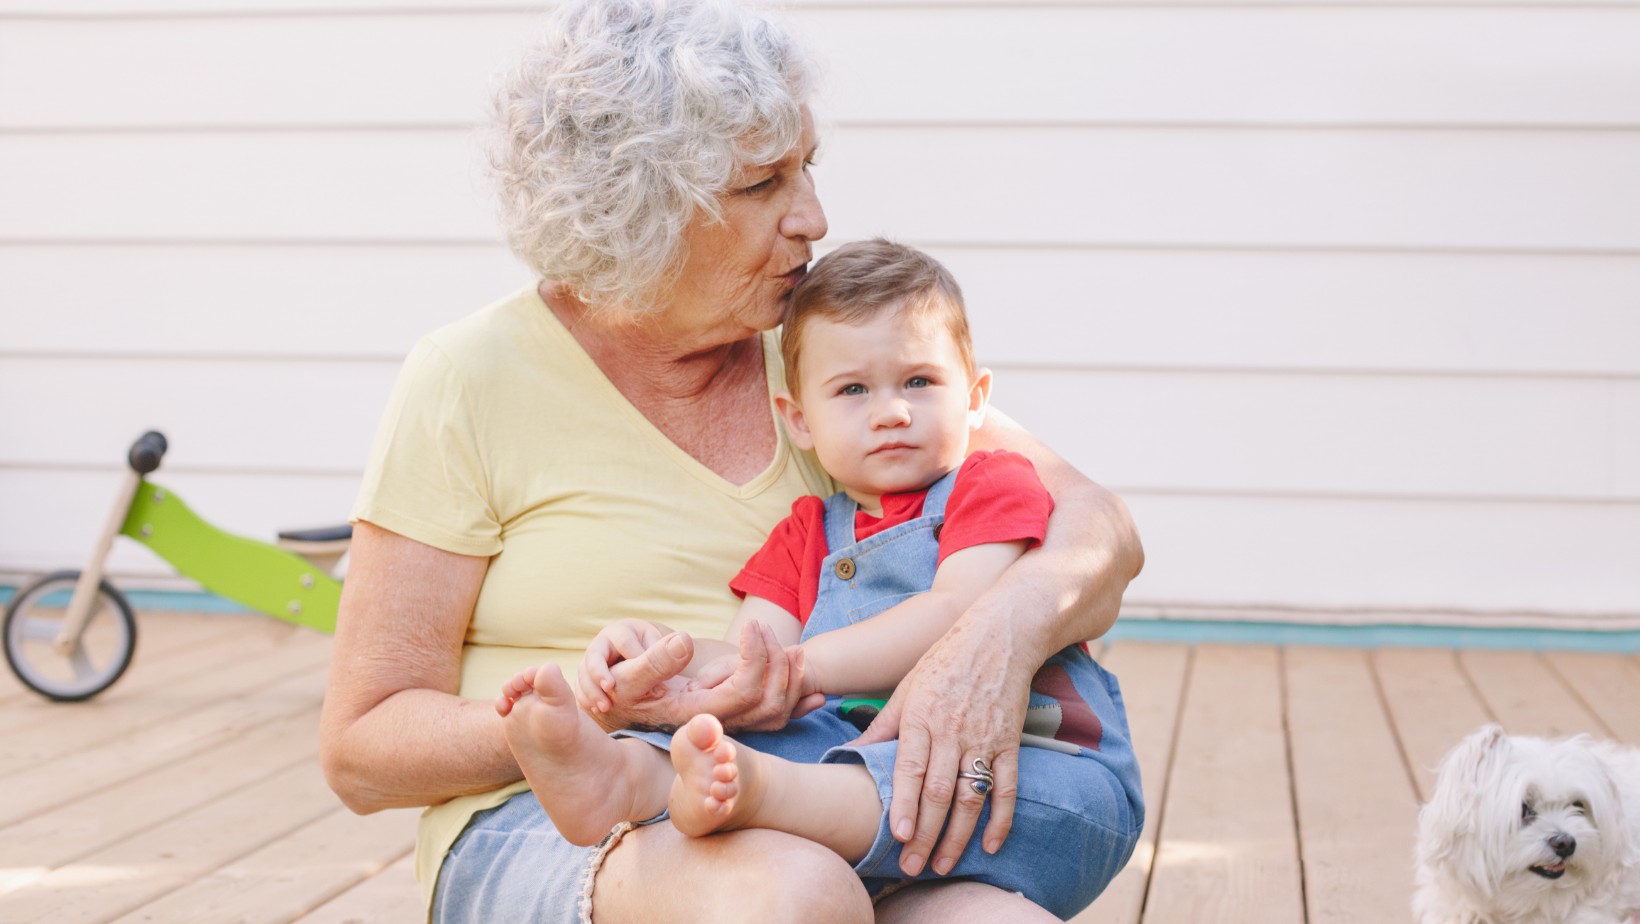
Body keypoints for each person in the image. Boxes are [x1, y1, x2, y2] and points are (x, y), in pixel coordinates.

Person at [316, 1, 1145, 922]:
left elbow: (1097, 530)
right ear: (637, 210)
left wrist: (988, 643)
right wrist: (602, 715)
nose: (814, 217)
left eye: (807, 166)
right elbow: (362, 749)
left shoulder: (834, 361)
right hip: (558, 815)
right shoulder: (470, 379)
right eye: (763, 184)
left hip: (825, 782)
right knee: (791, 894)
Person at [495, 239, 1143, 917]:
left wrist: (804, 669)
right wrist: (661, 654)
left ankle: (761, 795)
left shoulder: (990, 484)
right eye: (853, 390)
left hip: (1033, 771)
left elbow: (954, 611)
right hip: (866, 791)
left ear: (975, 398)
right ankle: (625, 778)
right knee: (755, 739)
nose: (891, 411)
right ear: (800, 420)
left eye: (919, 382)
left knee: (828, 766)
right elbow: (753, 661)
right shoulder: (806, 532)